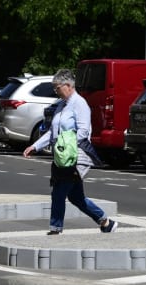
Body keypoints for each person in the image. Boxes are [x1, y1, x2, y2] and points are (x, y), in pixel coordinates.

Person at [23, 69, 117, 235]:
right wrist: (35, 146)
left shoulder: (79, 104)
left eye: (56, 87)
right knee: (76, 197)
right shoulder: (61, 105)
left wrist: (66, 144)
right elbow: (53, 133)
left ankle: (55, 228)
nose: (55, 91)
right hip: (62, 157)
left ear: (68, 85)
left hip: (75, 156)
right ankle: (105, 222)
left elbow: (84, 131)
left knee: (58, 191)